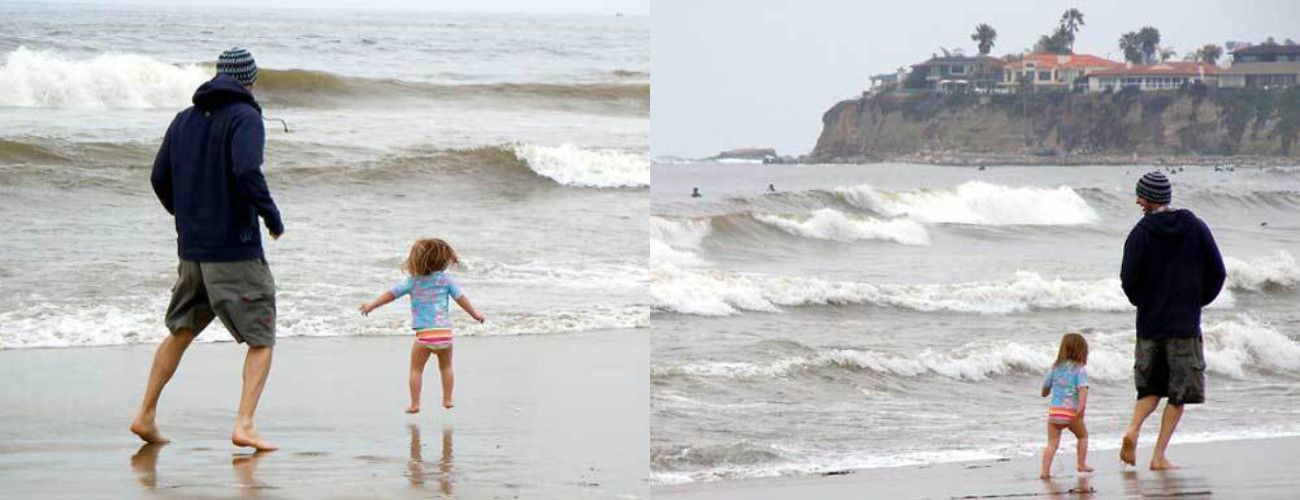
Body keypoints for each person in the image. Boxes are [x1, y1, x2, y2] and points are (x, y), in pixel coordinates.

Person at [134, 47, 283, 451]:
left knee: (180, 330)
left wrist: (185, 218)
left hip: (192, 250)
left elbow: (158, 177)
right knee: (262, 336)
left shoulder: (183, 119)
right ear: (249, 81)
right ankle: (245, 425)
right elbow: (247, 170)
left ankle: (145, 415)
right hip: (234, 250)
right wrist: (271, 217)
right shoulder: (246, 116)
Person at [1119, 171, 1226, 470]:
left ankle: (1132, 429)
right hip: (1184, 325)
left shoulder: (1141, 232)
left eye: (1141, 196)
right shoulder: (1196, 228)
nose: (1138, 202)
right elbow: (1218, 272)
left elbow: (1128, 277)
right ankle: (1158, 456)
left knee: (1149, 390)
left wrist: (1143, 302)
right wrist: (1196, 301)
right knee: (1178, 395)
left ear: (1151, 199)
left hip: (1150, 325)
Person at [360, 238, 485, 412]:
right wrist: (475, 314)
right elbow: (461, 299)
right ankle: (448, 399)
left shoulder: (413, 281)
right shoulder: (446, 281)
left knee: (416, 369)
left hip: (425, 335)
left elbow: (391, 294)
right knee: (446, 367)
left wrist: (371, 305)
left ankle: (415, 404)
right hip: (445, 334)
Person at [1039, 333, 1093, 479]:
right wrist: (1081, 408)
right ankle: (1081, 463)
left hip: (1055, 413)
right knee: (1083, 436)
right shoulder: (1079, 369)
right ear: (1082, 351)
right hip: (1071, 413)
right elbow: (1083, 389)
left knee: (1052, 444)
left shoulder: (1055, 367)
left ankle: (1044, 472)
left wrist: (1044, 393)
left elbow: (1045, 386)